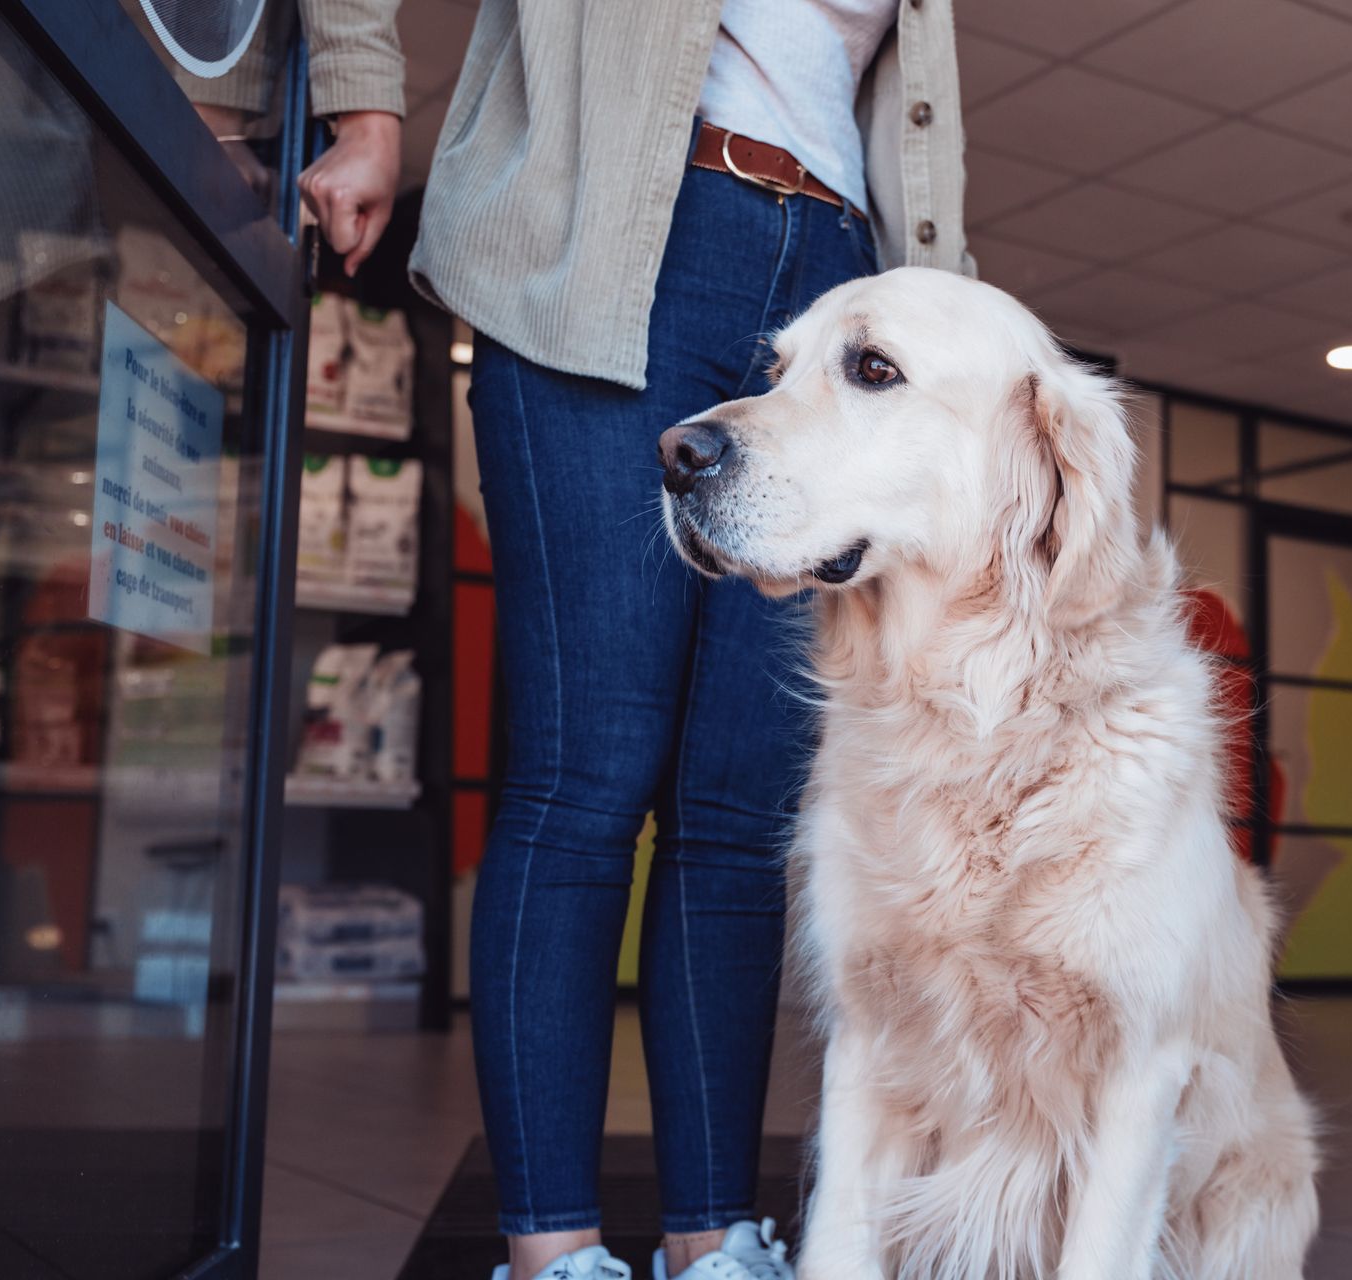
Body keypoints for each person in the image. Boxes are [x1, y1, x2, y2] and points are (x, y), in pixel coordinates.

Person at [298, 3, 971, 1277]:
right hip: (619, 238)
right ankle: (553, 1250)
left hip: (838, 277)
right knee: (586, 774)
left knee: (735, 811)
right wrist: (366, 110)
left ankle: (714, 1238)